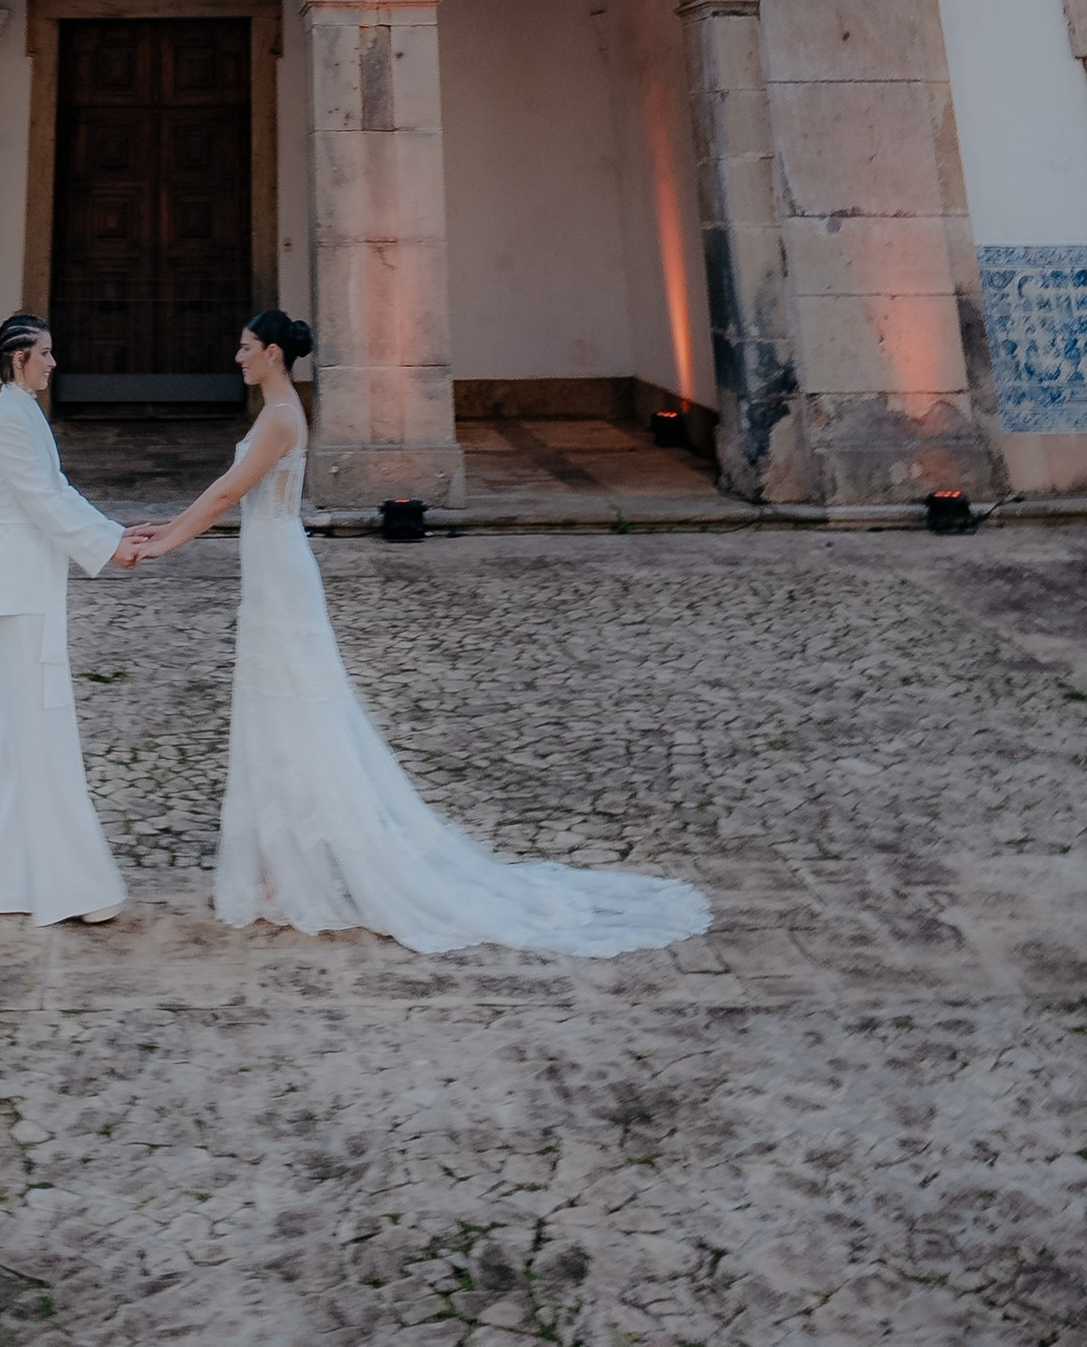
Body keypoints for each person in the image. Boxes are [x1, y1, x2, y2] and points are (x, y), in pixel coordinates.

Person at [136, 312, 712, 958]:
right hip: (270, 565)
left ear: (272, 352)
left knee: (297, 710)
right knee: (275, 713)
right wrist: (165, 527)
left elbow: (225, 495)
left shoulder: (279, 418)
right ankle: (278, 869)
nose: (237, 357)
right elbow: (227, 495)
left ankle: (291, 868)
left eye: (245, 348)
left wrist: (164, 543)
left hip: (280, 574)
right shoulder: (278, 411)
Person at [0, 314, 143, 927]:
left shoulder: (23, 412)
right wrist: (108, 548)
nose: (52, 362)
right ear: (18, 358)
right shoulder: (10, 419)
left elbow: (60, 490)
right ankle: (75, 888)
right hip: (20, 586)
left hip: (30, 580)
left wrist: (114, 533)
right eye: (44, 353)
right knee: (40, 730)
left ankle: (8, 880)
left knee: (21, 734)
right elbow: (44, 502)